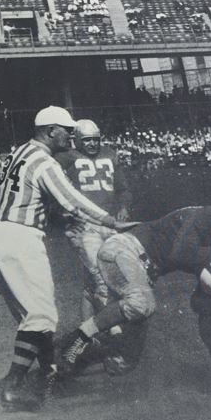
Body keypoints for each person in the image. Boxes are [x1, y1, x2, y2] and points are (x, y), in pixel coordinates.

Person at [0, 105, 133, 412]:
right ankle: (13, 388)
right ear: (51, 131)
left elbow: (31, 198)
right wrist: (109, 220)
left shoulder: (22, 151)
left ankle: (51, 374)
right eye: (66, 130)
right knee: (40, 317)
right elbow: (72, 199)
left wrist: (60, 221)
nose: (71, 135)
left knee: (35, 315)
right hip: (20, 238)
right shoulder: (45, 161)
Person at [58, 201, 211, 378]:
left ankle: (60, 368)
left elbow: (198, 302)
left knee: (124, 361)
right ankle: (75, 341)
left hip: (141, 269)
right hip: (126, 249)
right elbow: (177, 255)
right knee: (141, 304)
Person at [55, 119, 132, 322]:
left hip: (109, 224)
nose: (91, 144)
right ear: (77, 140)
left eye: (95, 140)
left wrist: (123, 207)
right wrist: (64, 214)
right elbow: (55, 191)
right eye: (87, 140)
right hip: (85, 227)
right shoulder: (65, 157)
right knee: (102, 279)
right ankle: (112, 329)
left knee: (94, 283)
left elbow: (123, 189)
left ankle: (86, 335)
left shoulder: (109, 154)